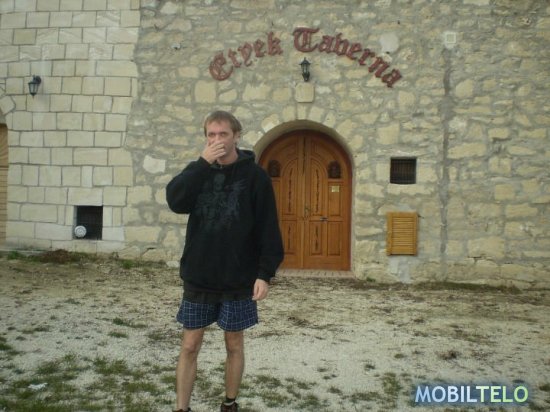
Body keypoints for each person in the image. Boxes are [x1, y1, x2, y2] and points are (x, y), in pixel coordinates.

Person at [166, 110, 284, 412]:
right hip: (199, 275)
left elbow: (268, 227)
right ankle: (181, 408)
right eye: (211, 134)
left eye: (223, 134)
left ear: (237, 136)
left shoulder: (255, 177)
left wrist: (264, 274)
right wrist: (201, 164)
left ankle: (229, 403)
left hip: (238, 278)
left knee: (234, 344)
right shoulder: (198, 171)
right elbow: (175, 201)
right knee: (189, 345)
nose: (217, 140)